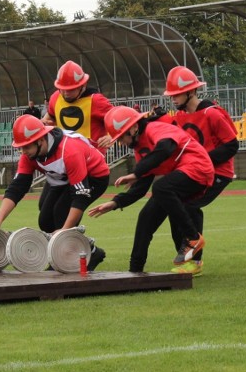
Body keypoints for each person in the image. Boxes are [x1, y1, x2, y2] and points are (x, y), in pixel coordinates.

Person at [88, 106, 212, 272]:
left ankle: (192, 238)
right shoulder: (140, 149)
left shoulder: (155, 128)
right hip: (180, 176)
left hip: (199, 168)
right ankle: (135, 271)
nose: (121, 142)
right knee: (146, 217)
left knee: (160, 187)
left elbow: (166, 147)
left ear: (134, 128)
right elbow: (141, 187)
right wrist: (116, 203)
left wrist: (136, 173)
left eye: (122, 136)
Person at [0, 114, 109, 269]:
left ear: (41, 140)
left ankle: (68, 258)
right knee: (45, 222)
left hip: (93, 177)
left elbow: (80, 196)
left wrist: (64, 231)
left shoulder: (69, 151)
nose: (23, 151)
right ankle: (90, 250)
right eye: (20, 147)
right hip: (62, 178)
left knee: (61, 216)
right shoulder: (29, 154)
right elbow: (17, 187)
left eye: (26, 147)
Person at [161, 66, 239, 276]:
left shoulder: (211, 113)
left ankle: (194, 261)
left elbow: (232, 145)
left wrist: (203, 160)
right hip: (194, 172)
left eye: (176, 94)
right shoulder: (179, 117)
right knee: (176, 205)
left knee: (188, 206)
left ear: (191, 92)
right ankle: (185, 255)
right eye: (171, 95)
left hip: (218, 173)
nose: (173, 99)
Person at [43, 60, 114, 153]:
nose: (66, 94)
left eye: (71, 90)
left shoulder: (96, 101)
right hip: (65, 157)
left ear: (82, 86)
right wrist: (42, 123)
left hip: (92, 160)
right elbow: (50, 116)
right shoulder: (55, 97)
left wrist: (111, 136)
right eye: (63, 89)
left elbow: (118, 119)